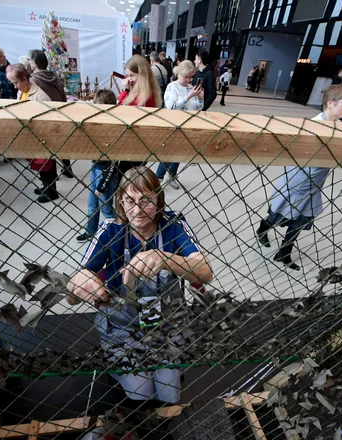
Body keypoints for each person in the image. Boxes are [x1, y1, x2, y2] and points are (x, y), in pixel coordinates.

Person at [66, 167, 213, 403]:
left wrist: (164, 258)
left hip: (166, 326)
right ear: (120, 202)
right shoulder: (110, 230)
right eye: (129, 201)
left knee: (170, 396)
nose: (137, 211)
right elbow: (74, 289)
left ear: (159, 199)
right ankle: (117, 367)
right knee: (140, 394)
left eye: (146, 200)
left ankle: (161, 366)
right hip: (123, 327)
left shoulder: (173, 224)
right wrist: (77, 284)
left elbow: (205, 272)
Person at [256, 84, 342, 271]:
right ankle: (262, 229)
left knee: (302, 219)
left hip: (316, 182)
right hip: (298, 180)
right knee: (280, 214)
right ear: (330, 103)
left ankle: (284, 253)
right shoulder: (312, 125)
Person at [6, 63, 64, 204]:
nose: (15, 86)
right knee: (39, 164)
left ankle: (52, 191)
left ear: (25, 79)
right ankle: (45, 186)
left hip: (42, 136)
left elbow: (48, 119)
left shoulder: (40, 96)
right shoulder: (22, 92)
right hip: (32, 135)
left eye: (16, 82)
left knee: (46, 164)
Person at [76, 89, 121, 242]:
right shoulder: (99, 125)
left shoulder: (113, 129)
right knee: (92, 205)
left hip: (106, 173)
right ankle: (90, 230)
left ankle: (119, 232)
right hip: (96, 169)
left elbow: (113, 164)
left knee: (106, 208)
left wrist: (102, 186)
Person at [155, 60, 204, 190]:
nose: (188, 80)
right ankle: (157, 178)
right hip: (173, 124)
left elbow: (198, 109)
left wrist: (200, 98)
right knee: (169, 152)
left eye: (190, 77)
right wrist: (188, 97)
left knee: (180, 152)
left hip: (187, 125)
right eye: (185, 76)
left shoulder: (190, 88)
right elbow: (171, 107)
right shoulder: (172, 87)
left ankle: (171, 175)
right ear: (178, 73)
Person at [27, 49, 74, 178]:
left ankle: (51, 179)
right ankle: (68, 168)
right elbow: (63, 96)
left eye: (29, 60)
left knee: (49, 147)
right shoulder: (54, 76)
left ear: (35, 63)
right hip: (60, 113)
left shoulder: (34, 81)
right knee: (62, 143)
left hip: (45, 117)